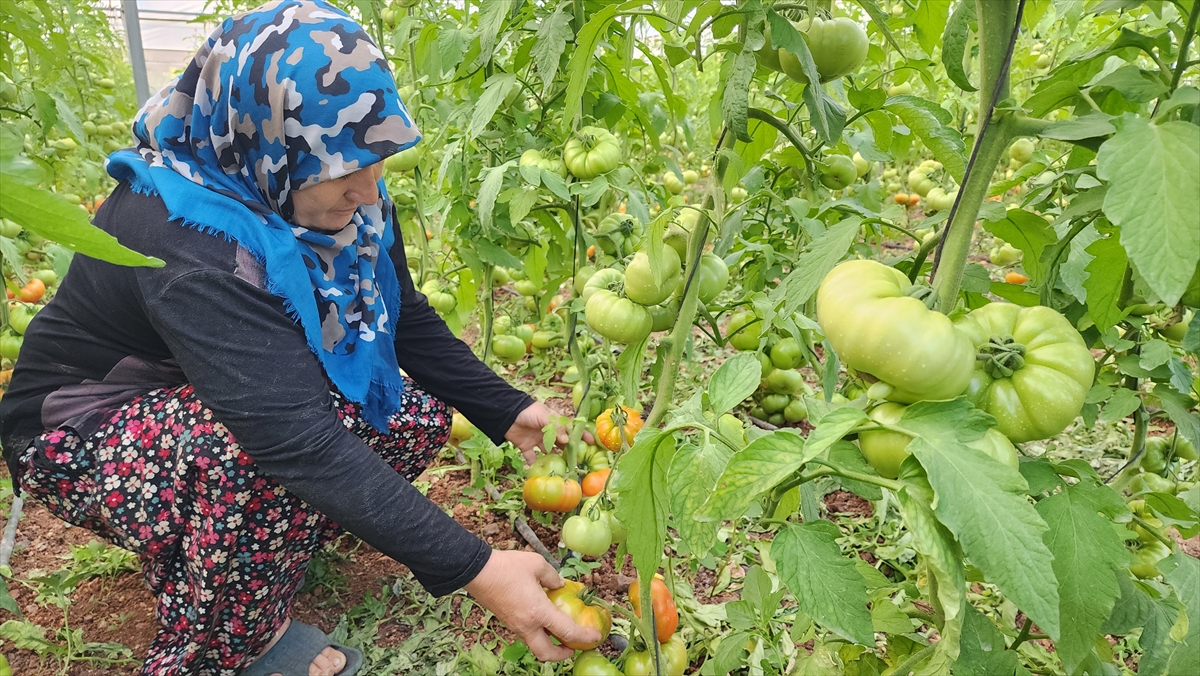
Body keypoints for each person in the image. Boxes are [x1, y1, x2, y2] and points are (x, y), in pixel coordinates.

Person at [0, 1, 598, 674]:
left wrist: (507, 408)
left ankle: (260, 548)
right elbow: (291, 441)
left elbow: (401, 317)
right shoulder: (184, 228)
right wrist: (475, 567)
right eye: (344, 173)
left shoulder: (337, 187)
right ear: (269, 143)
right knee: (250, 455)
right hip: (81, 428)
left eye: (379, 161)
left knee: (406, 412)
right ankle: (239, 641)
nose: (369, 193)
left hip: (202, 389)